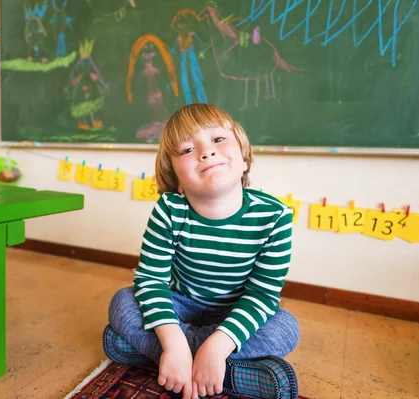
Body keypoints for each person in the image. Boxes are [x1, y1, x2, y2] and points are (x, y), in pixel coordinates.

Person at [103, 103, 300, 399]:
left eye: (218, 139)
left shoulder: (275, 216)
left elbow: (263, 295)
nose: (206, 152)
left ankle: (187, 361)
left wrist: (218, 345)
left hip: (234, 312)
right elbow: (151, 282)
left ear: (245, 159)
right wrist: (173, 343)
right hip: (180, 304)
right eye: (186, 150)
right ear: (176, 178)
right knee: (122, 303)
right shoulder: (169, 210)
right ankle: (214, 368)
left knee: (286, 327)